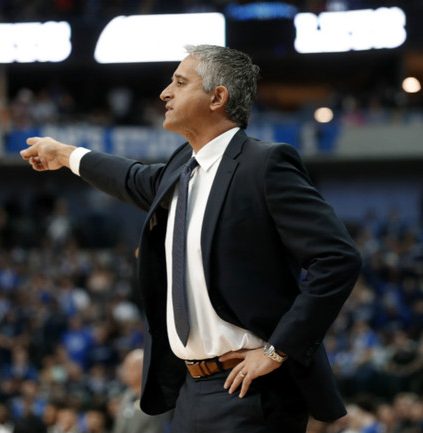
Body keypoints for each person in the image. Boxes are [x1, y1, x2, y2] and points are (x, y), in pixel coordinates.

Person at [21, 44, 362, 433]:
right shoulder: (182, 167)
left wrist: (277, 349)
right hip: (191, 388)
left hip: (252, 385)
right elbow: (129, 177)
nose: (165, 93)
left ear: (218, 97)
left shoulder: (264, 164)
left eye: (180, 83)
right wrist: (65, 154)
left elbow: (338, 258)